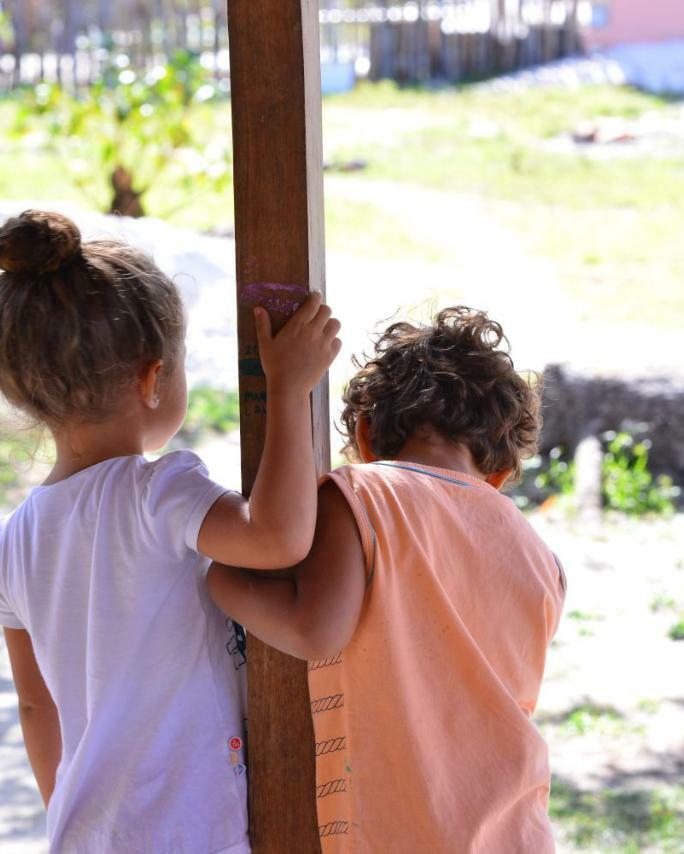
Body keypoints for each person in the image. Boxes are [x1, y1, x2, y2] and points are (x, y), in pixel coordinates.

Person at [0, 210, 341, 853]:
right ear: (153, 379)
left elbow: (37, 709)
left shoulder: (7, 544)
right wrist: (288, 393)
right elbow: (278, 538)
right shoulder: (155, 494)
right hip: (185, 826)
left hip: (85, 830)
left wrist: (72, 817)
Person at [208, 306, 565, 852]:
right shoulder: (542, 558)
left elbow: (314, 630)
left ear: (366, 433)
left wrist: (219, 577)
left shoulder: (363, 495)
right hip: (518, 831)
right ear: (497, 472)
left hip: (407, 831)